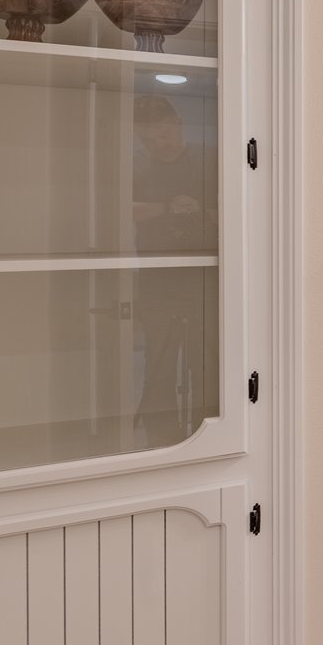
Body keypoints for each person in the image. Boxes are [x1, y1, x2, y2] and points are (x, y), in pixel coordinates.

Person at [130, 95, 213, 447]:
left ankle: (206, 443)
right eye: (147, 139)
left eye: (164, 134)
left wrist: (199, 211)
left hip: (208, 281)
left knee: (207, 366)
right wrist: (167, 207)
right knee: (159, 369)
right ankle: (161, 448)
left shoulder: (210, 161)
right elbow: (121, 210)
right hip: (157, 280)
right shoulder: (136, 169)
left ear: (178, 123)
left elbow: (239, 209)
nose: (158, 144)